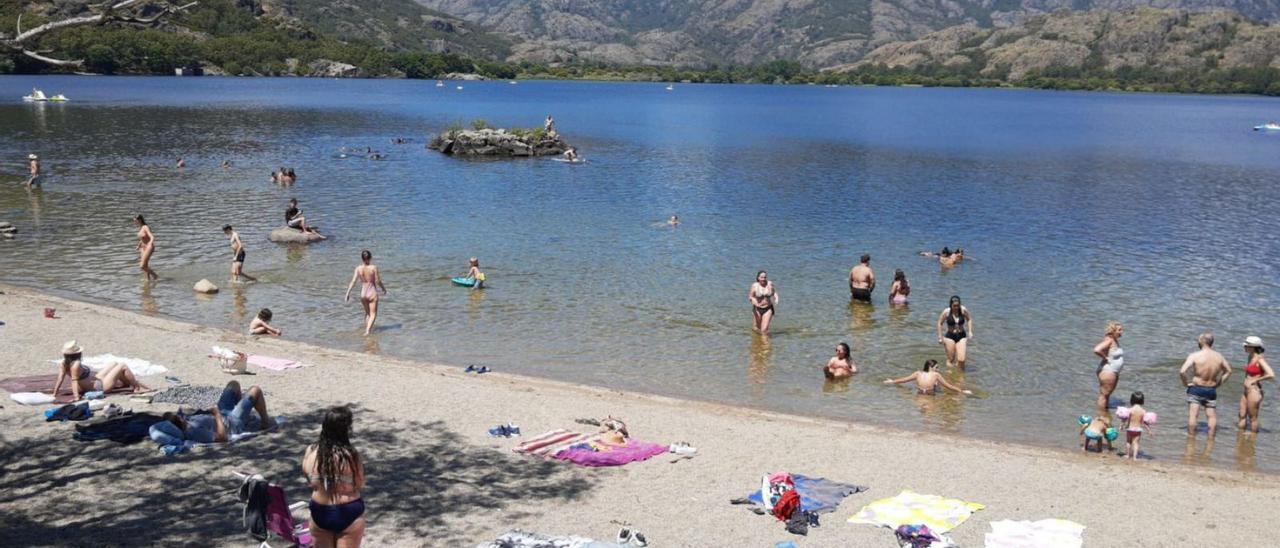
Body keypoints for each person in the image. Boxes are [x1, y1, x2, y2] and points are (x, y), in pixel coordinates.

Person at [304, 406, 366, 548]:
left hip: (320, 511)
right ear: (346, 429)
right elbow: (360, 483)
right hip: (348, 511)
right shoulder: (351, 455)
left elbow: (309, 480)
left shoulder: (311, 451)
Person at [148, 380, 273, 445]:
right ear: (178, 424)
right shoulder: (194, 432)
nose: (180, 417)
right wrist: (217, 415)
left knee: (233, 385)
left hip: (224, 413)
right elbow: (222, 438)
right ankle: (265, 422)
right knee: (255, 390)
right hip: (233, 423)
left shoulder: (187, 423)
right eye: (177, 418)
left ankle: (244, 412)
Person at [52, 340, 150, 401]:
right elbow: (74, 380)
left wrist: (55, 393)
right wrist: (76, 397)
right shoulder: (76, 364)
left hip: (94, 381)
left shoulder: (64, 363)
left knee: (113, 363)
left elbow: (60, 379)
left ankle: (126, 383)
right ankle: (137, 387)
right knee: (122, 366)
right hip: (99, 387)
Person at [1179, 333, 1232, 436]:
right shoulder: (1219, 356)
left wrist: (1186, 383)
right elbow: (1229, 371)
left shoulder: (1194, 355)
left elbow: (1182, 371)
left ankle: (1191, 437)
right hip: (1211, 389)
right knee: (1211, 416)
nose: (1197, 342)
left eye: (1198, 340)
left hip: (1196, 388)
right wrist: (1219, 383)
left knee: (1193, 415)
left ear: (1202, 341)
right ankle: (1211, 438)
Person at [345, 250, 387, 336]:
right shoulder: (373, 267)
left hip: (363, 293)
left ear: (362, 258)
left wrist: (347, 293)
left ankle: (367, 329)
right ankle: (367, 331)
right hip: (372, 292)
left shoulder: (358, 268)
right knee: (373, 314)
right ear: (370, 258)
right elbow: (377, 281)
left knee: (367, 313)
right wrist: (383, 289)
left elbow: (353, 281)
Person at [1238, 336, 1273, 434]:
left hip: (1254, 390)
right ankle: (1240, 438)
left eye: (1246, 346)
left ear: (1253, 347)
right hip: (1246, 390)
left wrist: (1257, 379)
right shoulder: (1250, 356)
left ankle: (1252, 440)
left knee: (1253, 418)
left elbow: (1271, 374)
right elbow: (1248, 374)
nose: (1244, 347)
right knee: (1241, 414)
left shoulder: (1259, 359)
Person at [883, 359, 972, 395]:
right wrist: (962, 391)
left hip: (919, 394)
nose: (938, 369)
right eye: (937, 367)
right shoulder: (936, 375)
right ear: (930, 367)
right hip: (930, 395)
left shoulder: (918, 373)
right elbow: (949, 386)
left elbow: (904, 380)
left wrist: (892, 381)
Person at [1092, 321, 1124, 417]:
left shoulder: (1113, 340)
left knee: (1107, 394)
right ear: (1113, 331)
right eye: (1119, 330)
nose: (1121, 332)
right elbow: (1097, 349)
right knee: (1104, 395)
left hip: (1112, 371)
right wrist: (1105, 358)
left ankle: (1105, 413)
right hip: (1108, 371)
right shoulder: (1109, 340)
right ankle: (1101, 417)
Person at [936, 296, 973, 369]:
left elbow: (969, 319)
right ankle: (950, 376)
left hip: (962, 335)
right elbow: (939, 323)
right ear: (951, 305)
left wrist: (970, 331)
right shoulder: (946, 311)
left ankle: (960, 375)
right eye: (954, 306)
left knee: (961, 359)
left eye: (958, 305)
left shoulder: (963, 310)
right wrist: (940, 337)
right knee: (951, 359)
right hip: (950, 336)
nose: (956, 307)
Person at [1118, 392, 1154, 460]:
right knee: (1136, 443)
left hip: (1130, 429)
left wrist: (1121, 426)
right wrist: (1149, 430)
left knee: (1128, 441)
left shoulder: (1130, 410)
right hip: (1138, 430)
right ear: (1142, 400)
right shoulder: (1143, 411)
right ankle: (1135, 457)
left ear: (1131, 400)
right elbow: (1145, 422)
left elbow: (1124, 419)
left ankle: (1127, 455)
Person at [134, 215, 158, 281]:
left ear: (139, 220)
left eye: (135, 220)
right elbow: (142, 238)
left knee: (142, 266)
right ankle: (148, 280)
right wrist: (138, 245)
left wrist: (150, 242)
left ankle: (155, 275)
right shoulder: (140, 227)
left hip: (148, 247)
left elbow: (151, 236)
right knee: (145, 266)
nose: (134, 222)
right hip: (142, 247)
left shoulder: (145, 227)